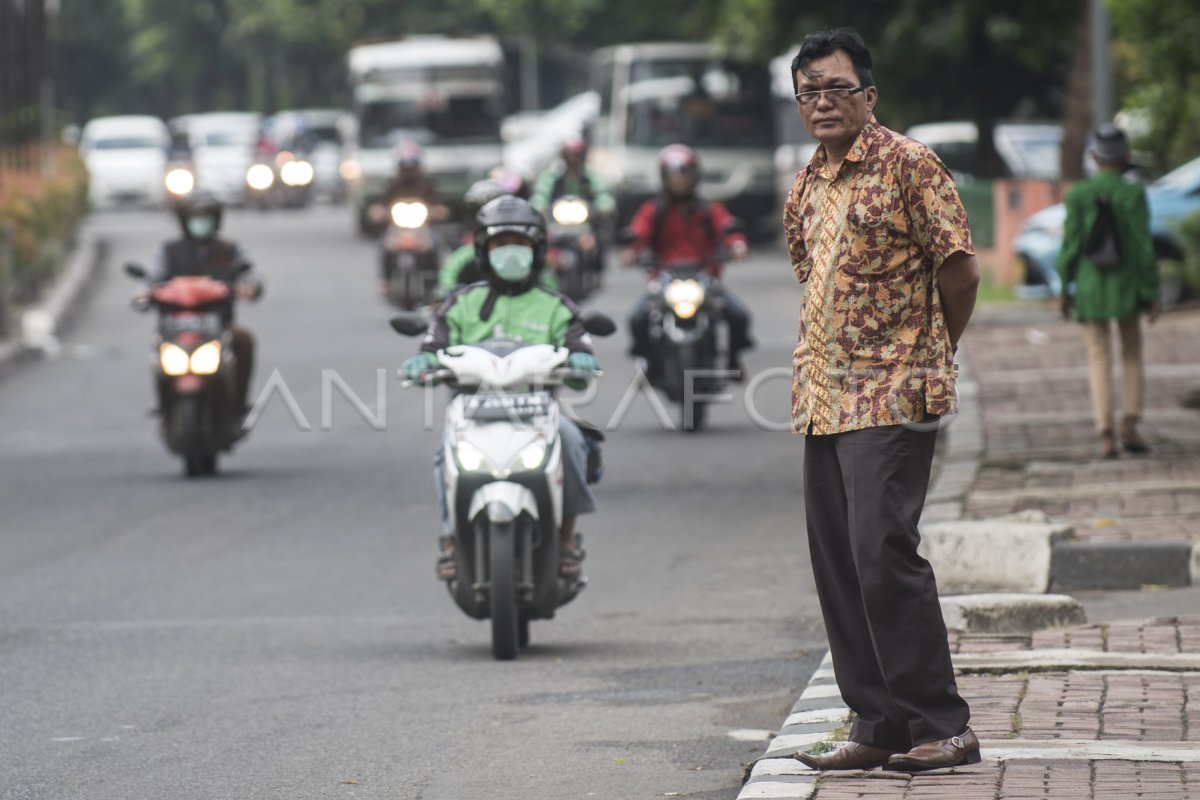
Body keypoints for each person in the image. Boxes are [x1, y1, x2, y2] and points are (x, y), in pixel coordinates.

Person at [782, 28, 981, 772]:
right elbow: (811, 276)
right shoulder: (807, 181)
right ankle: (877, 723)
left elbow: (959, 272)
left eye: (837, 88)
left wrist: (931, 352)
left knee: (881, 552)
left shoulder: (909, 165)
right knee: (837, 562)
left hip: (895, 391)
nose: (823, 102)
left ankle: (942, 723)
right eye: (809, 92)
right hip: (821, 398)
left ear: (869, 94)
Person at [401, 196, 600, 580]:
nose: (510, 253)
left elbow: (579, 345)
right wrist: (422, 363)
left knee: (573, 441)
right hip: (472, 412)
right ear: (482, 251)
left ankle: (565, 540)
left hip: (538, 412)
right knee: (445, 456)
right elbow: (432, 345)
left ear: (537, 250)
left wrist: (582, 360)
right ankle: (451, 540)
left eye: (520, 244)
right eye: (499, 245)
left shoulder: (555, 305)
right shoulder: (459, 304)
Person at [1057, 123, 1159, 458]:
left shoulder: (1079, 194)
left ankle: (1105, 433)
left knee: (1097, 357)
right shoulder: (1133, 193)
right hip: (1126, 285)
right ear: (1126, 156)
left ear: (1093, 156)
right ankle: (1129, 420)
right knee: (1131, 352)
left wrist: (1063, 285)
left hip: (1089, 286)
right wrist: (1151, 291)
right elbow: (1144, 247)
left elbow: (1071, 245)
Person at [622, 143, 754, 377]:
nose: (679, 181)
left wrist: (737, 245)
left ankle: (733, 361)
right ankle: (649, 364)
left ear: (694, 176)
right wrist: (631, 251)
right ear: (664, 178)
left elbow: (728, 227)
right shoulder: (654, 210)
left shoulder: (709, 208)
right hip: (665, 278)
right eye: (673, 175)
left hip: (704, 277)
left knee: (739, 315)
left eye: (684, 174)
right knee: (637, 319)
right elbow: (638, 233)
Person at [143, 191, 263, 414]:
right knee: (158, 350)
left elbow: (250, 273)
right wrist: (143, 293)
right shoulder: (169, 251)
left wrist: (250, 287)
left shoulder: (230, 250)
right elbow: (151, 278)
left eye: (206, 218)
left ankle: (238, 403)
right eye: (195, 218)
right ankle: (165, 405)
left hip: (218, 327)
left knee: (243, 339)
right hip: (176, 327)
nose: (200, 223)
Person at [435, 179, 557, 301]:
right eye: (500, 244)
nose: (509, 250)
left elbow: (551, 287)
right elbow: (445, 288)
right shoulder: (462, 259)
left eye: (519, 243)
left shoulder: (534, 257)